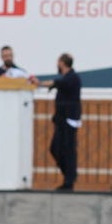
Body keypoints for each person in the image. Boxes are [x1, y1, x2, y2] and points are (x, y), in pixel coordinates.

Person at [37, 53, 81, 191]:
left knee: (68, 150)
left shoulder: (72, 78)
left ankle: (69, 179)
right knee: (56, 148)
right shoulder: (67, 78)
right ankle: (69, 175)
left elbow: (56, 83)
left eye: (58, 62)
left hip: (68, 120)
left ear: (62, 63)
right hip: (61, 120)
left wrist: (38, 83)